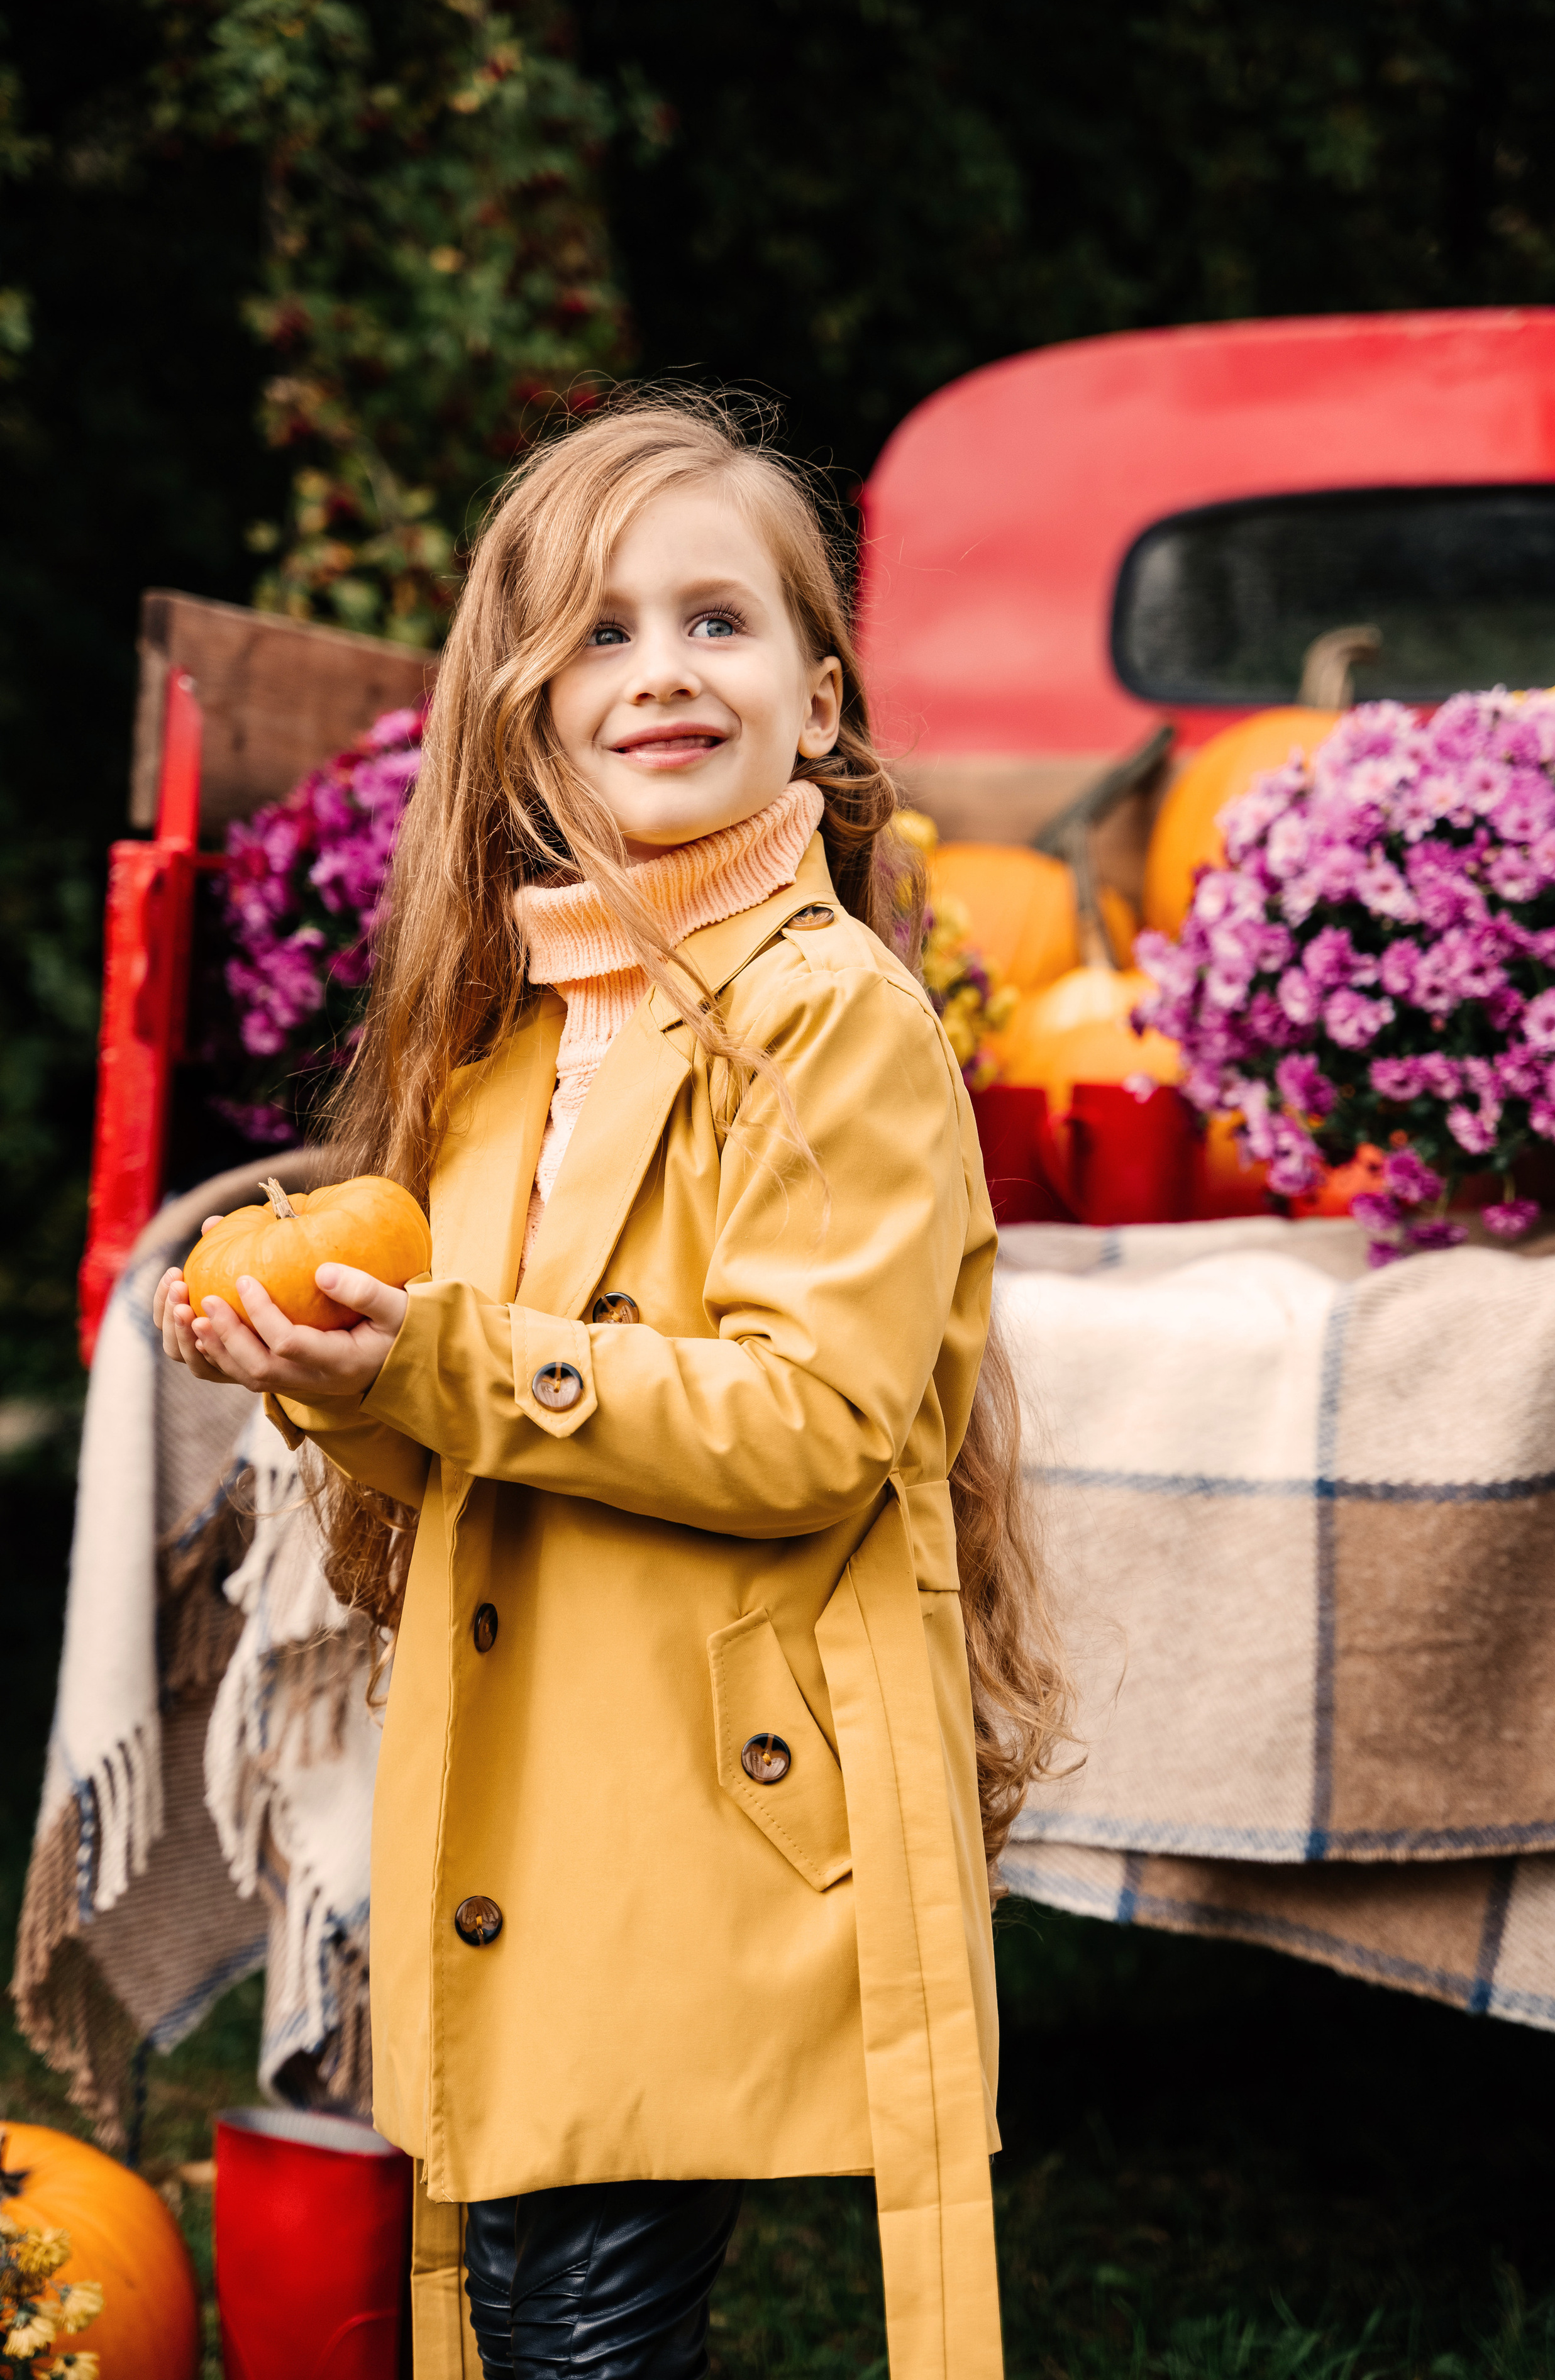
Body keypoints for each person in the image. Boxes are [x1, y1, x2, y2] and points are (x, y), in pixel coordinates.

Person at [155, 394, 1068, 2380]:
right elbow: (469, 1389)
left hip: (698, 1791)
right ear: (529, 714)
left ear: (819, 698)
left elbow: (813, 1423)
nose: (660, 671)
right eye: (598, 632)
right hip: (539, 1756)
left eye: (717, 622)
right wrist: (332, 1377)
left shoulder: (834, 1019)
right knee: (539, 2281)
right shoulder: (518, 1038)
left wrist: (448, 1360)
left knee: (577, 2304)